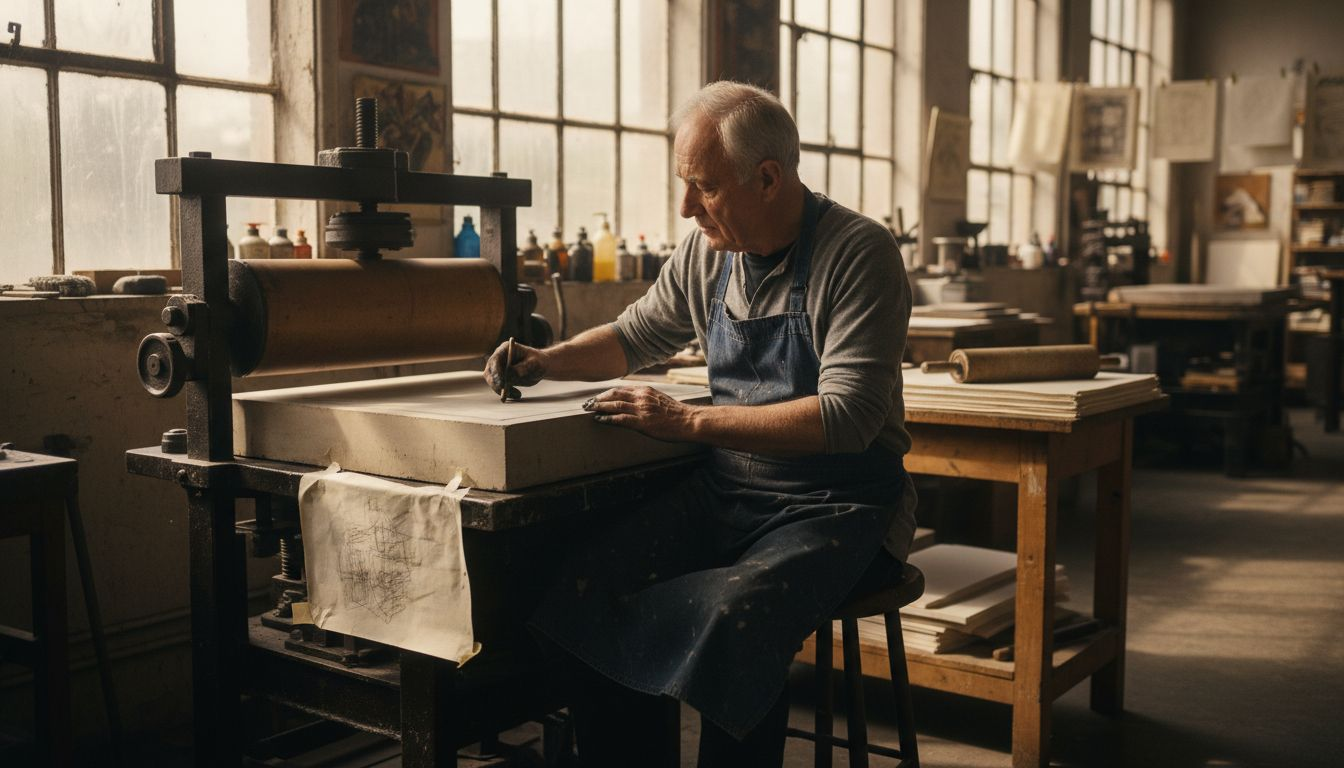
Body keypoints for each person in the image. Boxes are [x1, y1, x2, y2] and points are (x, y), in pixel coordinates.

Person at [483, 80, 916, 767]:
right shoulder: (707, 252)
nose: (687, 208)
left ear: (768, 178)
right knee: (589, 581)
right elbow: (635, 335)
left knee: (732, 618)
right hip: (732, 495)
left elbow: (848, 418)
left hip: (839, 503)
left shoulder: (856, 253)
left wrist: (687, 423)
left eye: (704, 187)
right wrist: (545, 360)